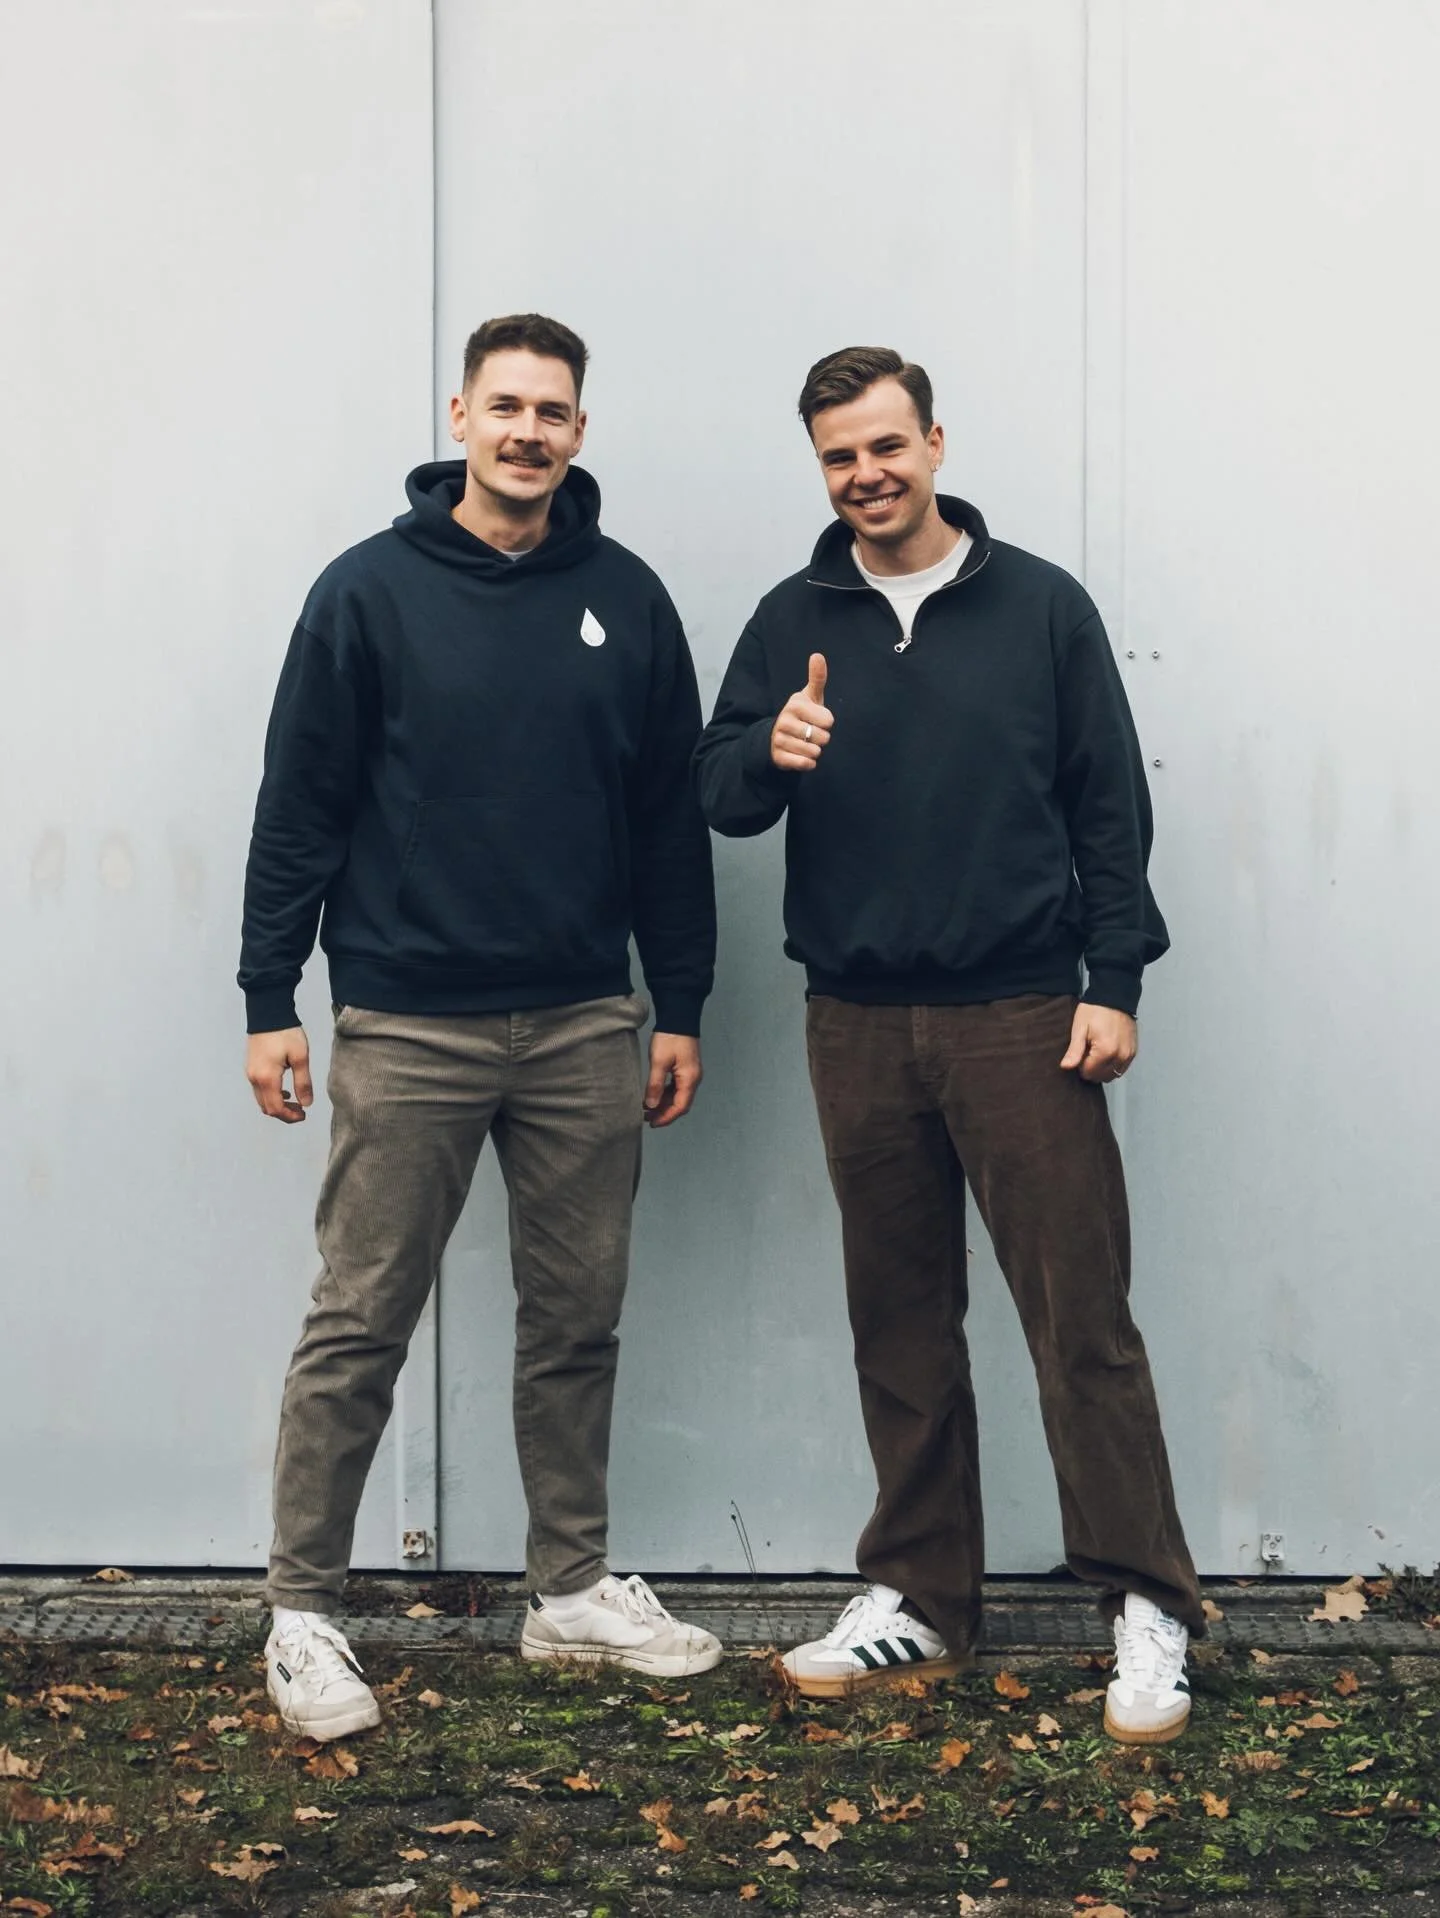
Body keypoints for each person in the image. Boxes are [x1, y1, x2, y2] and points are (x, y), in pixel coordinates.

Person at [693, 346, 1203, 1744]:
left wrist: (1114, 978)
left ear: (933, 442)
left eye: (885, 446)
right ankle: (922, 1594)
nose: (866, 475)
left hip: (1024, 1014)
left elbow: (1109, 804)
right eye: (838, 457)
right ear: (820, 469)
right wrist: (771, 749)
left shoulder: (1039, 606)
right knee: (900, 1320)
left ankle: (1146, 1599)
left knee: (1079, 1320)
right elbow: (718, 790)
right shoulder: (793, 616)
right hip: (856, 1019)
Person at [239, 312, 722, 1740]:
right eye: (505, 405)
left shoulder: (626, 598)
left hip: (584, 1023)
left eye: (551, 411)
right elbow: (299, 804)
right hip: (408, 1022)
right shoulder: (366, 593)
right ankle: (302, 1613)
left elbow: (667, 823)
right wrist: (270, 997)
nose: (527, 431)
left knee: (576, 1320)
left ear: (580, 431)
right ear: (460, 416)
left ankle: (568, 1590)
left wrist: (679, 1003)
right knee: (360, 1318)